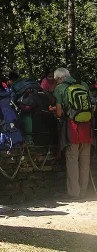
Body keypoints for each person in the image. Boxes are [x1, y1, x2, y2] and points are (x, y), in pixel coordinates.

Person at [53, 68, 93, 199]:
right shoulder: (84, 84)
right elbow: (93, 105)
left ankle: (74, 193)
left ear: (59, 78)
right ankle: (83, 192)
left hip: (72, 129)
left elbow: (59, 113)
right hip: (87, 128)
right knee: (85, 161)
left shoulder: (60, 88)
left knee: (72, 161)